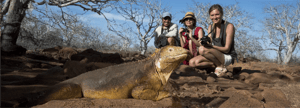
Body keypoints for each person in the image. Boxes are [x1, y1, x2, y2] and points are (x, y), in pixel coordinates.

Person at [189, 4, 237, 76]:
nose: (214, 17)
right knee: (192, 62)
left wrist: (211, 46)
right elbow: (205, 43)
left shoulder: (229, 26)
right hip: (214, 54)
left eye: (217, 14)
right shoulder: (211, 27)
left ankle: (221, 66)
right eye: (212, 15)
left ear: (222, 14)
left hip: (227, 56)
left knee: (202, 50)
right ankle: (215, 66)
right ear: (209, 16)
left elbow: (227, 49)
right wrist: (198, 40)